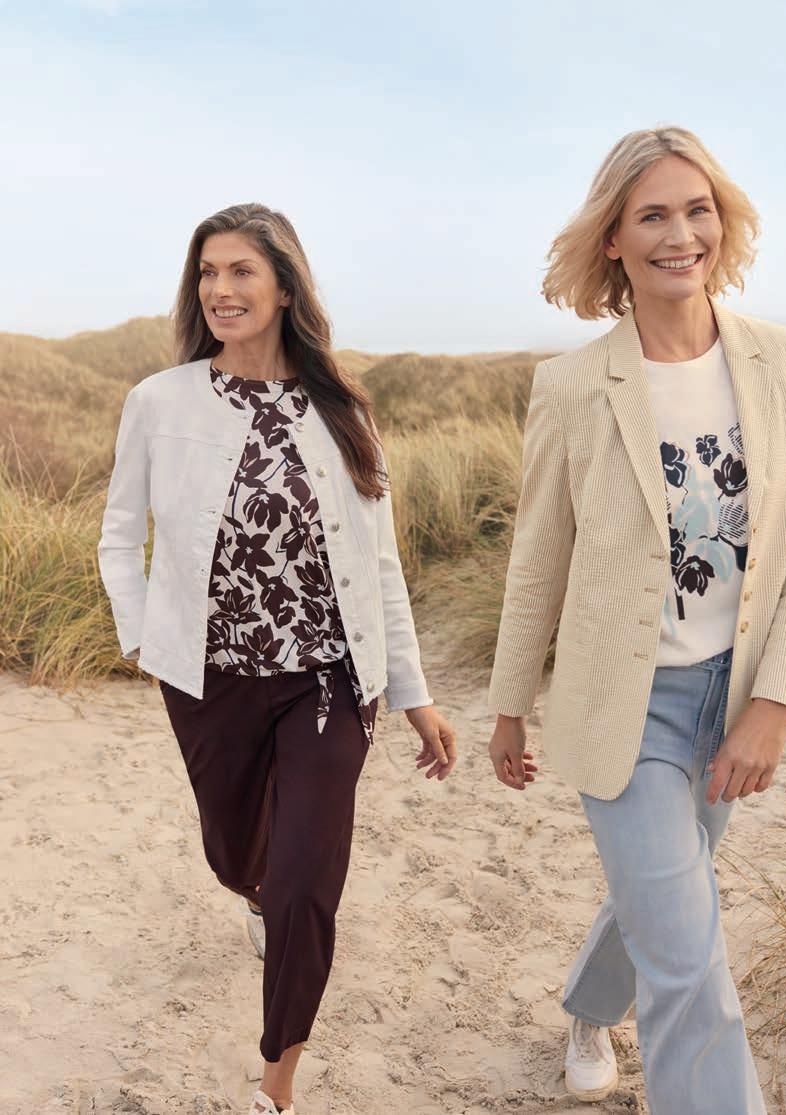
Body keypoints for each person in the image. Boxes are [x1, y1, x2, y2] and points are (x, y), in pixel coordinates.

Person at [98, 203, 458, 1115]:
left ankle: (276, 1086)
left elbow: (380, 565)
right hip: (209, 677)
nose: (220, 290)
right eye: (207, 273)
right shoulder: (159, 402)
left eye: (240, 271)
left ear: (285, 287)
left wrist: (414, 694)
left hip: (329, 679)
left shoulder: (342, 410)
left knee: (304, 880)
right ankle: (250, 892)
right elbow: (118, 537)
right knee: (236, 856)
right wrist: (144, 637)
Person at [487, 127, 786, 1114]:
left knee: (672, 894)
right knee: (688, 960)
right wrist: (508, 705)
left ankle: (589, 1009)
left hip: (734, 693)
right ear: (613, 240)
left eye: (697, 209)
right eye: (652, 215)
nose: (681, 234)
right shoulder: (573, 385)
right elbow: (539, 556)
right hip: (625, 703)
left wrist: (775, 704)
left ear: (723, 222)